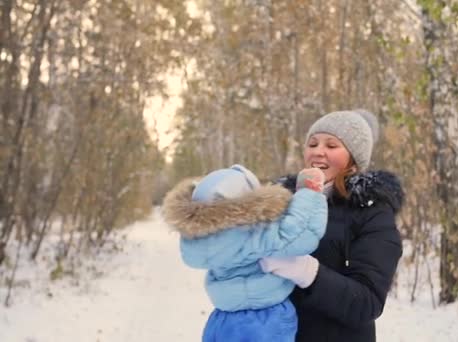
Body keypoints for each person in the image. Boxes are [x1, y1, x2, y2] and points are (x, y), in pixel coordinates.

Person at [260, 110, 404, 342]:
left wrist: (306, 271)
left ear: (354, 159)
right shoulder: (281, 201)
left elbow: (366, 302)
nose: (318, 151)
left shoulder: (372, 211)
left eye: (332, 145)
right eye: (313, 143)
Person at [162, 164, 327, 342]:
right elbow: (301, 233)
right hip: (265, 320)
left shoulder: (200, 240)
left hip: (223, 320)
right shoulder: (253, 232)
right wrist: (309, 192)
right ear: (248, 200)